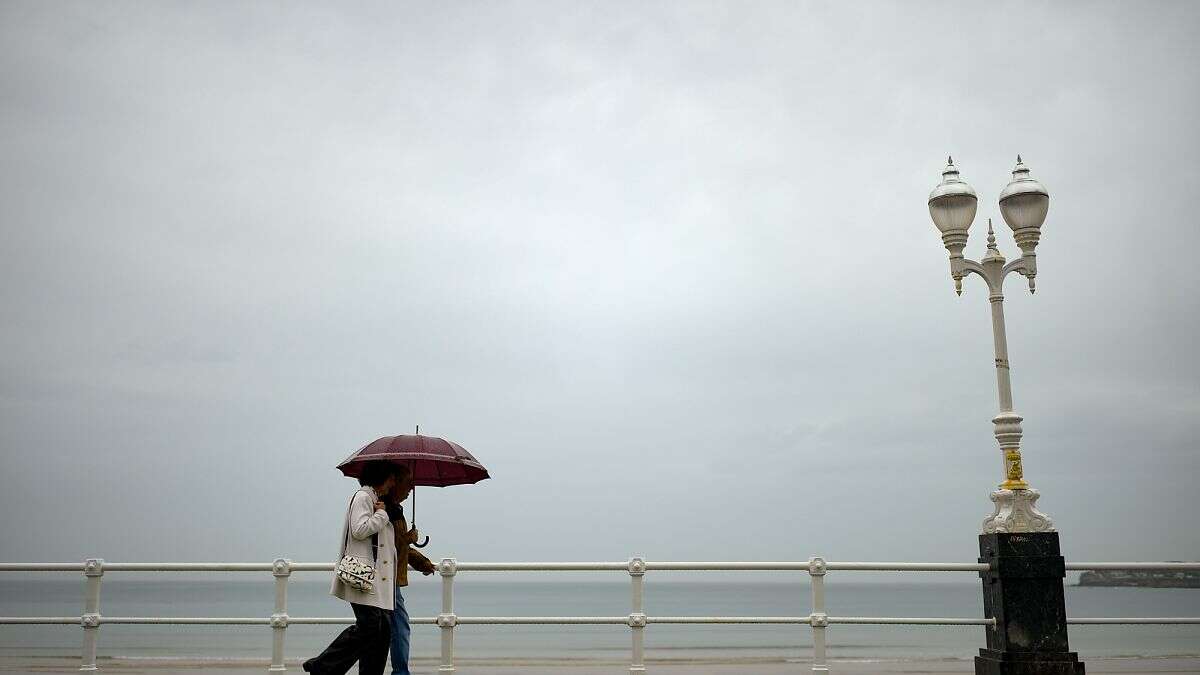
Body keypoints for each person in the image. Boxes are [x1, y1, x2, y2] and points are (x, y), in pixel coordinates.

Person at [304, 461, 400, 675]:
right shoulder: (363, 497)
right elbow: (359, 530)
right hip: (363, 576)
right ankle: (322, 666)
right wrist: (382, 515)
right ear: (381, 477)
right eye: (392, 477)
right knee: (370, 627)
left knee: (381, 631)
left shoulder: (375, 499)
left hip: (374, 580)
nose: (394, 482)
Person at [383, 466, 437, 675]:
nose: (411, 489)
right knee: (399, 627)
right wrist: (408, 538)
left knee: (382, 629)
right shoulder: (387, 510)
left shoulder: (394, 510)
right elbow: (390, 546)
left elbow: (399, 548)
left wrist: (422, 562)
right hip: (388, 580)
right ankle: (400, 672)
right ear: (394, 483)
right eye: (408, 483)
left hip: (390, 580)